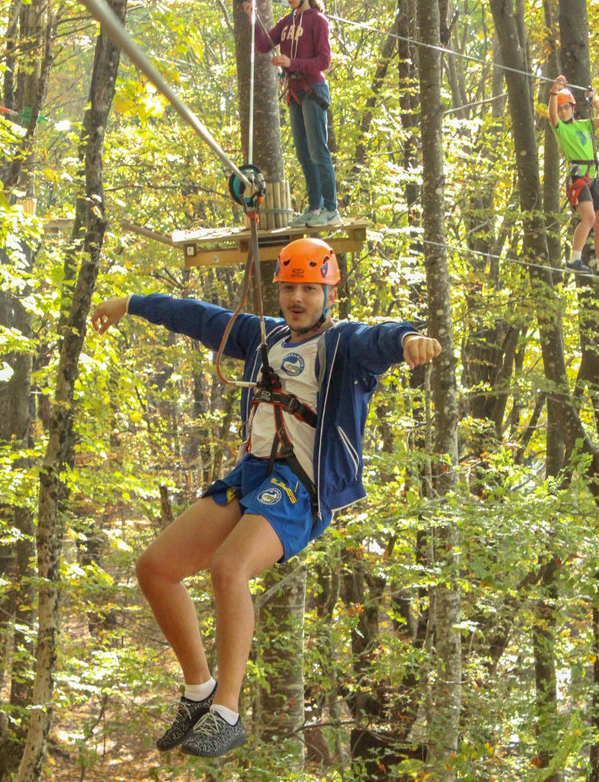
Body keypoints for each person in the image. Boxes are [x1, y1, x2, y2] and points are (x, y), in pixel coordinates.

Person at [90, 238, 441, 758]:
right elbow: (198, 316)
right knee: (155, 568)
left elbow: (380, 339)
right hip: (252, 476)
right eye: (289, 287)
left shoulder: (343, 345)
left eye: (309, 288)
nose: (298, 297)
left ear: (328, 291)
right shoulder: (264, 337)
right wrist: (133, 304)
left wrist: (410, 339)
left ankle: (227, 713)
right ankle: (199, 691)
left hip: (300, 487)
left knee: (230, 568)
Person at [244, 0, 340, 229]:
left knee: (319, 152)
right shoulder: (286, 22)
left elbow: (324, 62)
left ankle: (331, 209)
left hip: (313, 89)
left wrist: (291, 63)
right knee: (303, 154)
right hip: (295, 91)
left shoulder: (317, 21)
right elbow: (264, 44)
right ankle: (315, 207)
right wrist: (253, 17)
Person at [547, 74, 599, 278]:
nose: (562, 111)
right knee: (588, 217)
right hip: (578, 176)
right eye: (561, 108)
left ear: (573, 107)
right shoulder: (560, 128)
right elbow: (552, 115)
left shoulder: (585, 125)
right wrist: (554, 91)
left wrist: (594, 100)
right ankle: (573, 260)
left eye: (566, 107)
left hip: (592, 177)